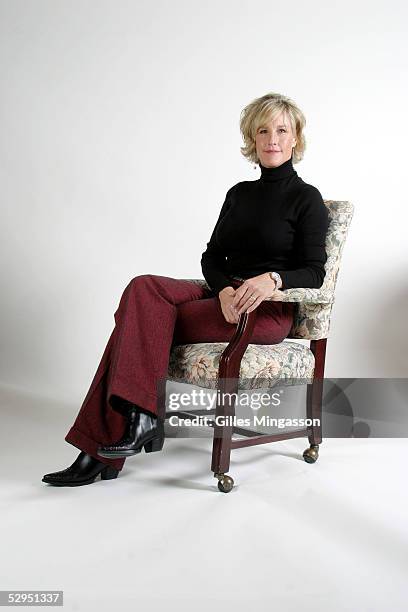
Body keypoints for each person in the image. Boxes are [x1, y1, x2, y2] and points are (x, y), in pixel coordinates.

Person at [42, 92, 329, 487]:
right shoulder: (239, 194)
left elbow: (315, 272)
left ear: (295, 138)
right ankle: (139, 419)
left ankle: (103, 446)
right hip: (225, 298)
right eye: (263, 130)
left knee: (139, 323)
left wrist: (272, 280)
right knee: (143, 291)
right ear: (252, 138)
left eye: (281, 130)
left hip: (265, 310)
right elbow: (212, 257)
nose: (272, 139)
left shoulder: (307, 199)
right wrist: (224, 290)